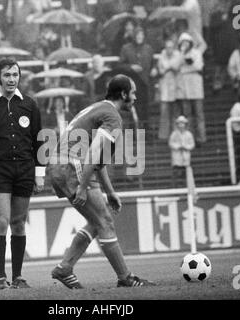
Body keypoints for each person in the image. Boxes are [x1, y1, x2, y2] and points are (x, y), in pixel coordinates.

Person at [46, 74, 155, 289]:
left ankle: (65, 268)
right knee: (105, 221)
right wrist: (84, 187)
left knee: (98, 221)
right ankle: (126, 278)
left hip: (61, 165)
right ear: (123, 94)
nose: (135, 97)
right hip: (72, 165)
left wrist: (110, 191)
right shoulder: (112, 116)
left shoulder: (98, 109)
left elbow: (99, 161)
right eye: (133, 92)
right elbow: (94, 154)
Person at [0, 58, 45, 290]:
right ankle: (0, 277)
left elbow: (39, 141)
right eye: (7, 75)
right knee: (1, 221)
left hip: (24, 169)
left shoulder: (30, 105)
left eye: (15, 74)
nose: (12, 79)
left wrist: (39, 173)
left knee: (19, 223)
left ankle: (18, 276)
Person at [176, 32, 206, 144]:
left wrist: (186, 68)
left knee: (199, 114)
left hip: (196, 88)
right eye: (182, 42)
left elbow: (198, 66)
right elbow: (177, 67)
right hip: (185, 89)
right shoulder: (179, 54)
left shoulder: (197, 53)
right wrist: (182, 56)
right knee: (187, 114)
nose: (185, 44)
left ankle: (201, 138)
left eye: (187, 42)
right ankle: (190, 138)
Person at [156, 39, 181, 141]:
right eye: (167, 47)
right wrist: (169, 67)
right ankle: (164, 136)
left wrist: (169, 67)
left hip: (176, 87)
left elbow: (177, 68)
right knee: (164, 113)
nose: (169, 49)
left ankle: (177, 134)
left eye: (171, 47)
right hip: (165, 88)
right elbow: (161, 71)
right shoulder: (161, 56)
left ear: (173, 47)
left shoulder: (178, 55)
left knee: (176, 113)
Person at [168, 115, 195, 188]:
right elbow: (171, 143)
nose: (181, 125)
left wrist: (186, 147)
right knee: (176, 173)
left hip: (185, 157)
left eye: (182, 123)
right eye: (179, 123)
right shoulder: (174, 134)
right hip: (177, 157)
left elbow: (192, 144)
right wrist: (178, 147)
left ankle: (186, 187)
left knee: (185, 175)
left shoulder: (189, 134)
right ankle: (175, 188)